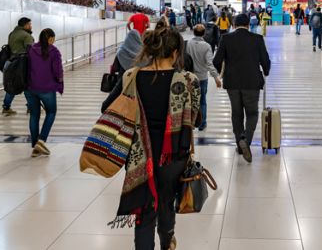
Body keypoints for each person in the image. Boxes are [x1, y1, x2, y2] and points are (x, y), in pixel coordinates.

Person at [106, 26, 200, 250]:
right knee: (167, 200)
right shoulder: (188, 80)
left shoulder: (131, 76)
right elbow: (196, 120)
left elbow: (107, 107)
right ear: (176, 52)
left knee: (144, 206)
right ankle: (167, 242)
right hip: (174, 154)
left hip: (139, 153)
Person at [213, 14, 271, 163]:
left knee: (236, 113)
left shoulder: (226, 38)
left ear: (234, 24)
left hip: (232, 83)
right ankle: (246, 139)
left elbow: (216, 60)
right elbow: (265, 59)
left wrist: (221, 73)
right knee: (252, 113)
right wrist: (266, 71)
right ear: (248, 25)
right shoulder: (257, 39)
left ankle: (240, 144)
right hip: (252, 82)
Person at [24, 28, 63, 157]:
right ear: (50, 38)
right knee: (51, 112)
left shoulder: (31, 49)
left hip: (30, 88)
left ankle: (35, 144)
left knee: (34, 115)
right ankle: (41, 141)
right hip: (46, 88)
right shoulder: (54, 51)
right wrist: (60, 83)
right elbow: (58, 72)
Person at [187, 24, 222, 131]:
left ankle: (190, 123)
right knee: (202, 101)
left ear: (193, 32)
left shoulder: (188, 44)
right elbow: (209, 64)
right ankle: (202, 123)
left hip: (190, 77)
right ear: (203, 33)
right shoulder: (206, 46)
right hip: (202, 78)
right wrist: (216, 77)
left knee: (190, 101)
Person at [2, 17, 34, 116]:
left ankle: (6, 107)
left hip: (11, 63)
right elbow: (31, 52)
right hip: (23, 64)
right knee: (28, 86)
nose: (30, 26)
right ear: (24, 25)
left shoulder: (12, 34)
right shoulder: (26, 36)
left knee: (12, 85)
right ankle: (31, 107)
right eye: (29, 24)